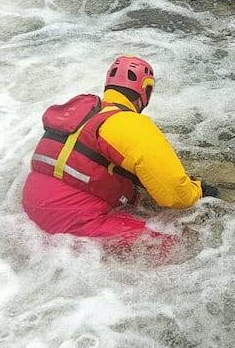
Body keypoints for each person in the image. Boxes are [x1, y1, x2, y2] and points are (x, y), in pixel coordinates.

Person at [22, 55, 218, 255]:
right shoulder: (131, 123)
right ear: (146, 91)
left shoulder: (83, 113)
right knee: (174, 245)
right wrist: (199, 190)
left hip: (30, 209)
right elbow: (176, 196)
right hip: (71, 223)